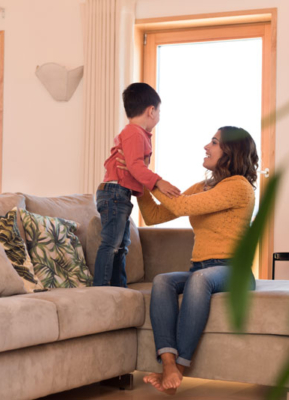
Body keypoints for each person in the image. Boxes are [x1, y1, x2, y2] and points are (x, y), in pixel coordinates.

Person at [118, 126, 258, 394]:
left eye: (214, 142)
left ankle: (179, 368)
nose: (207, 146)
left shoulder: (238, 187)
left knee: (199, 279)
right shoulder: (203, 187)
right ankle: (168, 362)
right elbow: (155, 217)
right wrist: (143, 185)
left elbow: (182, 206)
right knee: (162, 281)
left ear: (231, 152)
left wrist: (150, 178)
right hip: (201, 269)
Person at [93, 82, 180, 288]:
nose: (159, 117)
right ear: (151, 110)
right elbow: (134, 165)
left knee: (122, 245)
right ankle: (101, 288)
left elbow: (133, 167)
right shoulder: (134, 133)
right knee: (111, 243)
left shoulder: (135, 133)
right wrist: (158, 181)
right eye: (159, 112)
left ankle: (118, 288)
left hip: (120, 194)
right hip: (115, 193)